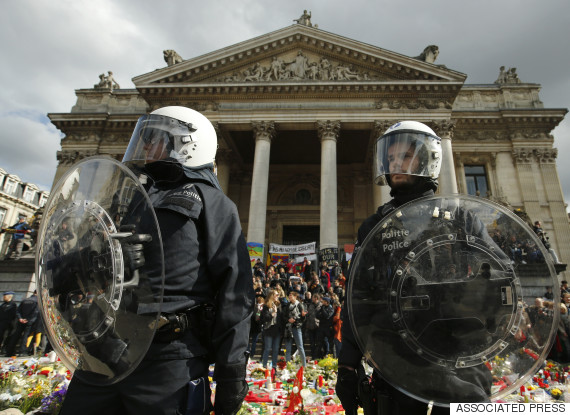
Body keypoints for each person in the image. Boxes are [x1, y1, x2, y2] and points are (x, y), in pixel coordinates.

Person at [59, 106, 254, 415]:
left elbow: (236, 294)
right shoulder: (128, 200)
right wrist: (66, 265)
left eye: (153, 138)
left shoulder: (213, 202)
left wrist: (232, 375)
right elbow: (98, 255)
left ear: (186, 144)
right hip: (104, 352)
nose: (145, 145)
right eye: (145, 137)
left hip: (169, 359)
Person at [336, 121, 490, 414]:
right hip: (396, 364)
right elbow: (358, 298)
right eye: (391, 158)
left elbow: (497, 278)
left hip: (458, 361)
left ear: (427, 159)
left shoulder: (460, 217)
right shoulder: (374, 225)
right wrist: (347, 363)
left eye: (404, 156)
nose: (395, 164)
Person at [5, 291, 38, 356]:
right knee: (26, 336)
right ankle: (22, 352)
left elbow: (18, 311)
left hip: (21, 321)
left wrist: (20, 318)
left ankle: (9, 351)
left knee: (16, 335)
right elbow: (36, 312)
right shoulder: (37, 301)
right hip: (29, 321)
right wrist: (29, 320)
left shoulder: (25, 300)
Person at [283, 291, 307, 367]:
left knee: (300, 346)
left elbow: (303, 319)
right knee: (288, 348)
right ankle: (288, 365)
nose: (289, 297)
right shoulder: (287, 305)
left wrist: (303, 316)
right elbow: (284, 316)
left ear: (295, 297)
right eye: (289, 296)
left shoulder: (300, 305)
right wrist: (288, 320)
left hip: (297, 327)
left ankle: (304, 365)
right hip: (288, 328)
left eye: (291, 296)